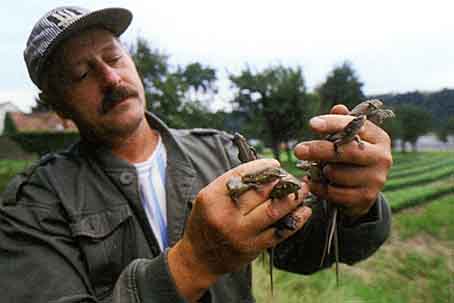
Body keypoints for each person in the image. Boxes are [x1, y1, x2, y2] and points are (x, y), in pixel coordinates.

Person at [0, 6, 392, 303]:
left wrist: (356, 205)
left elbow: (300, 249)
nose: (111, 78)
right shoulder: (33, 205)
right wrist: (192, 264)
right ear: (59, 106)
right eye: (82, 74)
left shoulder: (221, 150)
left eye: (114, 57)